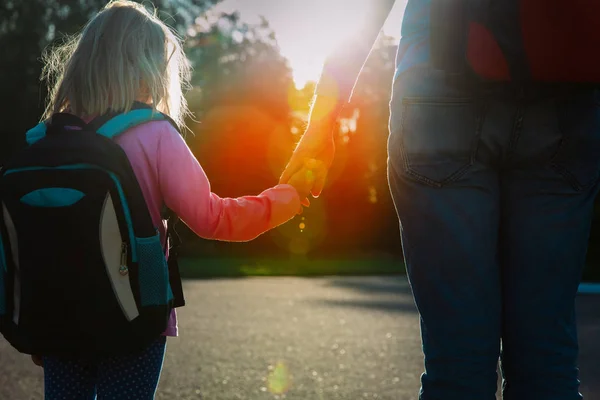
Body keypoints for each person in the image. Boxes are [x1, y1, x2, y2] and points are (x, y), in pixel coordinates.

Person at [280, 1, 600, 399]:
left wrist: (322, 119)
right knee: (548, 358)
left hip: (442, 88)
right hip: (565, 96)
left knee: (458, 361)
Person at [34, 1, 317, 398]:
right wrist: (284, 200)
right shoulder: (154, 135)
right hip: (134, 315)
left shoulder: (48, 139)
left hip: (58, 317)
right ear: (148, 70)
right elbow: (214, 218)